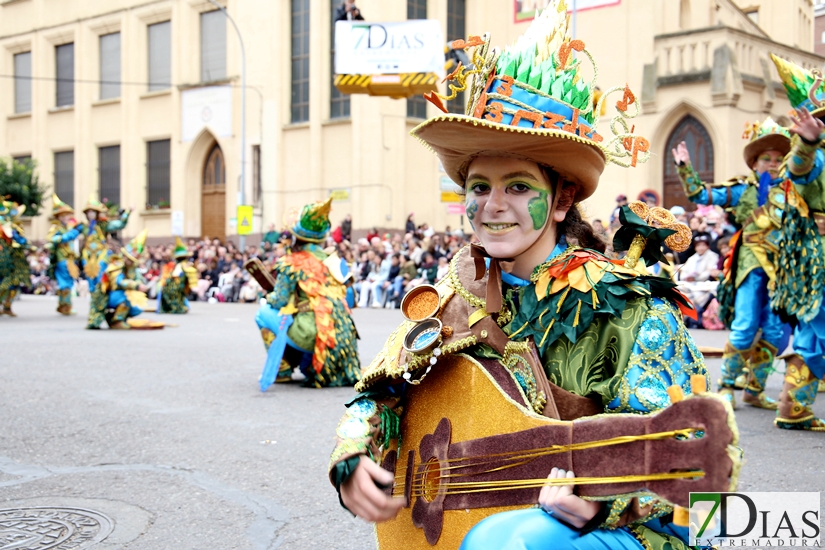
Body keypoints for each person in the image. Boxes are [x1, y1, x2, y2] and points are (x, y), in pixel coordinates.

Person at [328, 6, 736, 549]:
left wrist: (604, 499)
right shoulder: (455, 297)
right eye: (478, 187)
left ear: (563, 198)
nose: (494, 206)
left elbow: (699, 456)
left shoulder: (625, 308)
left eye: (518, 186)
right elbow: (379, 393)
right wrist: (351, 455)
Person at [672, 116, 790, 409]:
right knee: (746, 325)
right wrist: (686, 167)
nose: (773, 163)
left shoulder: (793, 193)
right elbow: (701, 195)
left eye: (778, 158)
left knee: (775, 331)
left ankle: (754, 389)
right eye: (767, 158)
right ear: (755, 163)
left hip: (782, 269)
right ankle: (726, 385)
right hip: (750, 264)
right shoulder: (744, 190)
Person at [767, 54, 825, 431]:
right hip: (817, 261)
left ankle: (793, 407)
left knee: (812, 334)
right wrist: (806, 143)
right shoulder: (817, 157)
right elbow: (799, 169)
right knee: (816, 334)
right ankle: (792, 406)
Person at [255, 198, 359, 389]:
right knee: (297, 315)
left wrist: (267, 296)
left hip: (313, 333)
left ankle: (283, 368)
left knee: (263, 313)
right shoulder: (335, 261)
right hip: (343, 335)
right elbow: (352, 299)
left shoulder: (291, 262)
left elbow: (280, 300)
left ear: (295, 237)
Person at [87, 229, 151, 329]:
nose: (130, 262)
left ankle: (113, 318)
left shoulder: (132, 268)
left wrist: (140, 284)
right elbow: (119, 282)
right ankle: (117, 320)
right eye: (128, 259)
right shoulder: (115, 265)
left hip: (121, 294)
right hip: (108, 295)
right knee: (125, 298)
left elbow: (137, 278)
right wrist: (136, 285)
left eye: (132, 260)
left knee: (137, 307)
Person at [80, 194, 131, 292]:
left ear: (97, 213)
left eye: (93, 212)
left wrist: (127, 213)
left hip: (100, 254)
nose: (91, 214)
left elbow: (119, 224)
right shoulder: (84, 227)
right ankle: (93, 298)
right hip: (87, 255)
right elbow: (70, 234)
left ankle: (100, 295)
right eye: (89, 212)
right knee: (89, 277)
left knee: (100, 276)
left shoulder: (104, 225)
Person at [46, 194, 85, 315]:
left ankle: (62, 305)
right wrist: (73, 233)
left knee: (67, 282)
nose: (65, 217)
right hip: (62, 258)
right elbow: (56, 239)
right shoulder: (57, 228)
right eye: (62, 215)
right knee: (65, 282)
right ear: (58, 217)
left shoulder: (67, 228)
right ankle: (66, 306)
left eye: (67, 215)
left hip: (69, 258)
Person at [0, 201, 30, 316]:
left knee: (13, 283)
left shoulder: (12, 226)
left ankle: (7, 306)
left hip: (13, 259)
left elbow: (21, 240)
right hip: (3, 259)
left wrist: (25, 244)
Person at [157, 237, 199, 313]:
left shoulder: (180, 265)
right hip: (175, 286)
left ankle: (179, 307)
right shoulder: (179, 265)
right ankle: (177, 307)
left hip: (176, 285)